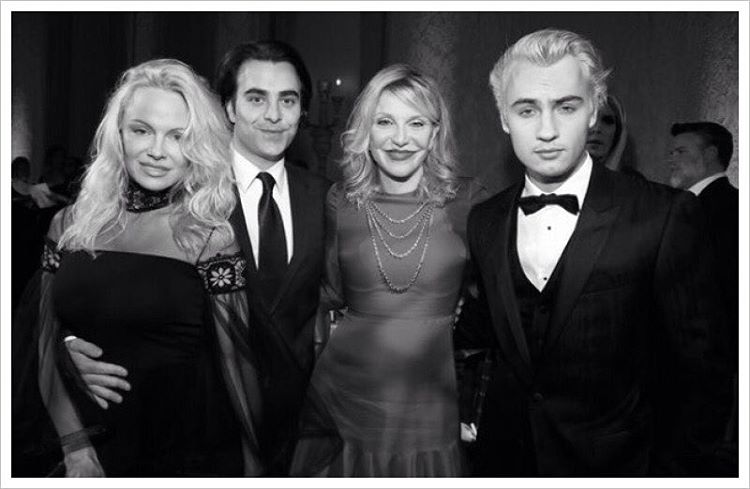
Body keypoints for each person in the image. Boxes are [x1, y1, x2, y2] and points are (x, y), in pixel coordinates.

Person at [465, 28, 728, 476]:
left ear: (593, 110)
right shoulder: (484, 219)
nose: (546, 130)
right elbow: (490, 344)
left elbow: (704, 375)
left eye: (566, 107)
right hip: (505, 463)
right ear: (504, 118)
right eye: (526, 110)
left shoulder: (663, 214)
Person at [64, 41, 332, 475]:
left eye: (288, 100)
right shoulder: (177, 186)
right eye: (256, 98)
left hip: (298, 425)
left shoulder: (325, 198)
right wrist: (70, 344)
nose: (274, 114)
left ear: (303, 110)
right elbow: (110, 281)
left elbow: (349, 295)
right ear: (228, 108)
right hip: (196, 430)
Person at [12, 58, 284, 476]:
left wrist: (253, 470)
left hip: (174, 449)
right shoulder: (68, 225)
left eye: (178, 136)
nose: (157, 151)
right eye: (142, 130)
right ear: (118, 135)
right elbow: (41, 337)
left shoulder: (208, 238)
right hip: (72, 439)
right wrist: (76, 447)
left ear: (197, 145)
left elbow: (237, 368)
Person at [289, 64, 488, 477]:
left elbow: (494, 297)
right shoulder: (341, 201)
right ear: (366, 130)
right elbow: (327, 291)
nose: (400, 139)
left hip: (430, 399)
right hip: (345, 397)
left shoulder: (468, 201)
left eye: (416, 123)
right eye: (384, 122)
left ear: (435, 133)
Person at [668, 121, 738, 474]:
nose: (672, 159)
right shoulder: (700, 206)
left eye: (681, 151)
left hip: (705, 369)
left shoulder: (715, 210)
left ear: (710, 155)